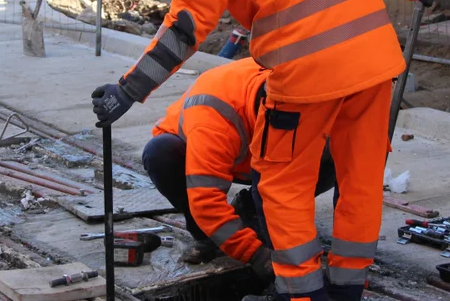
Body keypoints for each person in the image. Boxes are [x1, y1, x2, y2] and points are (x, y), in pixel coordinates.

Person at [92, 0, 438, 301]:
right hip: (376, 64)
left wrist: (127, 90)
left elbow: (185, 28)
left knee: (281, 183)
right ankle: (348, 290)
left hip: (306, 73)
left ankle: (300, 299)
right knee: (360, 178)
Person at [142, 57, 336, 274]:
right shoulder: (213, 114)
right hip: (202, 153)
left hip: (257, 160)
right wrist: (256, 256)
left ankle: (251, 210)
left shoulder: (305, 95)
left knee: (333, 158)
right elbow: (206, 200)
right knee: (160, 153)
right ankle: (206, 236)